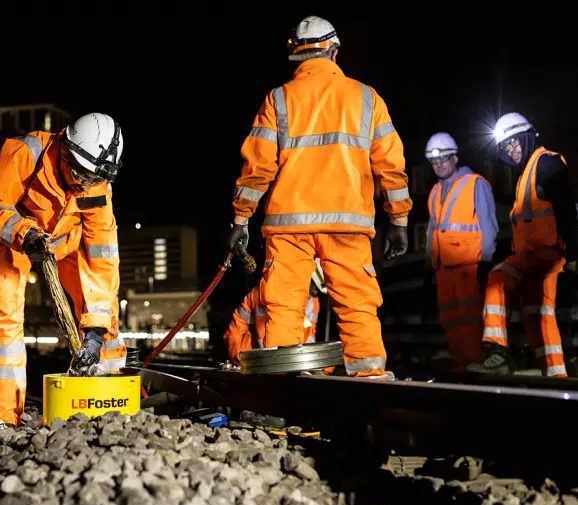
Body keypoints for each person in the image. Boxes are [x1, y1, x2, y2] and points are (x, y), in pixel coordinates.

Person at [226, 15, 412, 379]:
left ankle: (286, 393)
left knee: (283, 309)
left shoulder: (277, 99)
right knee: (358, 306)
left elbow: (257, 167)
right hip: (348, 222)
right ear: (335, 51)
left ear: (294, 54)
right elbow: (390, 164)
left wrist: (240, 219)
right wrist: (399, 220)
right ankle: (371, 387)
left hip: (287, 226)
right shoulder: (366, 97)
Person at [0, 113, 127, 432]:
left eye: (92, 179)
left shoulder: (97, 184)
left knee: (101, 312)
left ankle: (111, 397)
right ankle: (0, 417)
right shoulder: (25, 152)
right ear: (66, 151)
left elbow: (103, 259)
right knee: (6, 311)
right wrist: (27, 235)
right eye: (80, 175)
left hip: (64, 242)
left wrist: (95, 332)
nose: (84, 184)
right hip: (12, 238)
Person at [467, 112, 578, 376]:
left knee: (497, 278)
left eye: (514, 142)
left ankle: (496, 353)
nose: (511, 150)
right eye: (506, 147)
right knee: (537, 314)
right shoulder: (526, 174)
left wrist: (574, 252)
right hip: (533, 257)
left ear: (526, 138)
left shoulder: (547, 163)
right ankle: (555, 375)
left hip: (544, 254)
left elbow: (565, 207)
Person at [423, 132, 499, 371]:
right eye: (434, 162)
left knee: (470, 317)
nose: (439, 165)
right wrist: (428, 265)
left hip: (469, 266)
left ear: (455, 158)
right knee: (450, 320)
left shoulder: (475, 184)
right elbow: (431, 231)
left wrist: (486, 261)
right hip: (443, 269)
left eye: (443, 159)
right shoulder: (435, 192)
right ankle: (460, 366)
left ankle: (475, 365)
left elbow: (489, 226)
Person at [224, 269, 322, 365]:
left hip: (288, 364)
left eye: (318, 289)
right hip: (256, 361)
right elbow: (235, 331)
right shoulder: (259, 295)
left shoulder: (313, 303)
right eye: (314, 286)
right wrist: (240, 358)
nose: (316, 292)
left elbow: (309, 336)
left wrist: (310, 364)